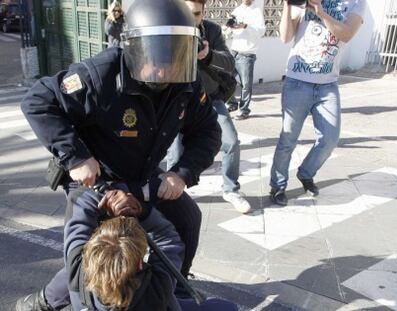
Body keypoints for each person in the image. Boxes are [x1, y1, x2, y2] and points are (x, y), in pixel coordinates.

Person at [15, 0, 222, 309]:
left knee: (187, 218)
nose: (165, 65)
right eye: (157, 51)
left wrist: (182, 173)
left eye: (175, 51)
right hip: (96, 180)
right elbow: (38, 101)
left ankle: (172, 284)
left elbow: (208, 131)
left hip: (142, 176)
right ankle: (47, 301)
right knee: (94, 250)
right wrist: (76, 157)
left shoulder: (187, 83)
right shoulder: (100, 75)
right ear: (134, 46)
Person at [65, 186, 238, 311]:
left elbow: (77, 211)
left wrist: (95, 193)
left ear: (89, 254)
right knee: (227, 307)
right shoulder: (158, 286)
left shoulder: (77, 274)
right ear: (139, 264)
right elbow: (168, 238)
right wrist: (141, 210)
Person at [269, 0, 366, 206]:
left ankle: (306, 173)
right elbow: (285, 37)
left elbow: (346, 34)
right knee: (288, 140)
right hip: (297, 81)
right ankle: (277, 186)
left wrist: (320, 11)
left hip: (327, 85)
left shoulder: (357, 3)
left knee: (329, 139)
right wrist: (288, 5)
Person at [166, 0, 251, 214]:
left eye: (196, 14)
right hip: (177, 99)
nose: (191, 18)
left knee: (231, 142)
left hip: (209, 98)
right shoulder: (167, 28)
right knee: (176, 152)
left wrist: (208, 54)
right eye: (187, 13)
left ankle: (231, 189)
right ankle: (171, 196)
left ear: (203, 13)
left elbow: (229, 63)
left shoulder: (211, 30)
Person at [225, 0, 265, 120]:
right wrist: (227, 27)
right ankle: (232, 104)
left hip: (247, 53)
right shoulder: (237, 10)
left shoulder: (257, 11)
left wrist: (246, 26)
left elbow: (261, 31)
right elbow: (230, 30)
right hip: (234, 51)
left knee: (246, 85)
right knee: (225, 79)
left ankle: (244, 110)